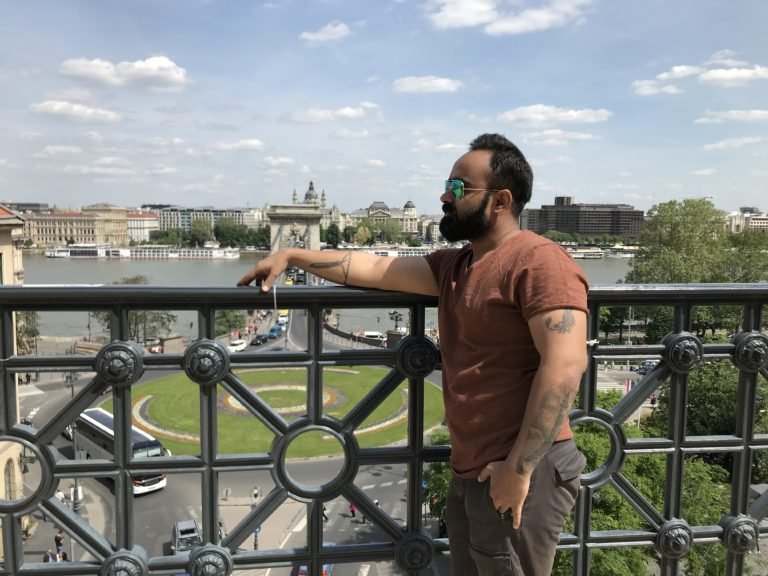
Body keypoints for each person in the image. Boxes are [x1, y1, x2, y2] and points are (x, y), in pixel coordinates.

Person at [237, 133, 589, 576]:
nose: (445, 197)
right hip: (474, 471)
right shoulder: (455, 266)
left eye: (458, 187)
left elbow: (565, 366)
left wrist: (519, 469)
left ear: (501, 200)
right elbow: (371, 267)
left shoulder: (540, 262)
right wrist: (290, 255)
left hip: (521, 470)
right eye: (447, 185)